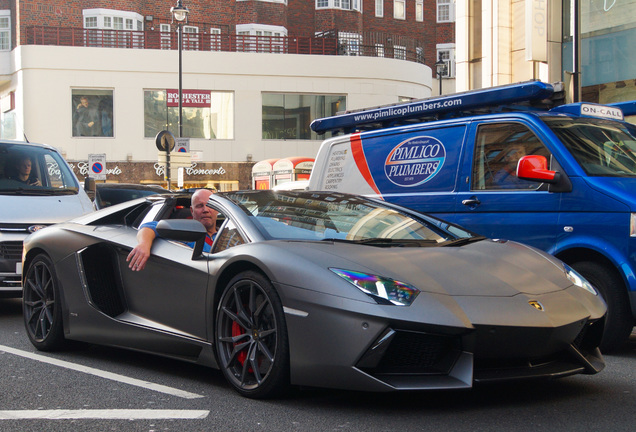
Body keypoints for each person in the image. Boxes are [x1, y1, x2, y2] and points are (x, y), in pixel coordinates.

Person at [126, 189, 217, 271]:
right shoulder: (181, 230)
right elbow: (148, 227)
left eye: (209, 205)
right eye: (199, 206)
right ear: (192, 211)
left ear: (217, 209)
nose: (205, 210)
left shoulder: (229, 235)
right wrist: (144, 244)